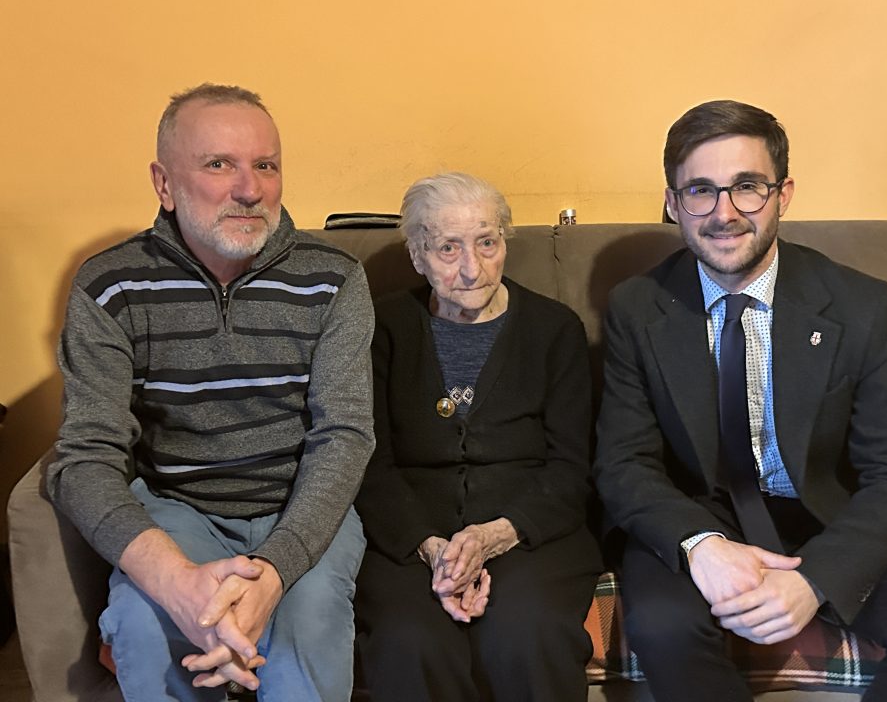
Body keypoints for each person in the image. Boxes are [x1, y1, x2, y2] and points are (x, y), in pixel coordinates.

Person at [593, 100, 887, 701]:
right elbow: (623, 462)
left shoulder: (861, 305)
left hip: (829, 510)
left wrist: (817, 580)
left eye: (747, 187)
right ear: (673, 202)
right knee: (662, 627)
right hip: (701, 509)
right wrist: (700, 545)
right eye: (700, 190)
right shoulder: (636, 306)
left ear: (783, 194)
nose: (724, 213)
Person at [46, 83, 374, 701]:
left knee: (308, 636)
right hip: (178, 510)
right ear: (164, 184)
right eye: (219, 164)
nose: (249, 188)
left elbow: (345, 437)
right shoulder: (110, 286)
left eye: (266, 165)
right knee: (144, 626)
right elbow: (84, 457)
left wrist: (272, 575)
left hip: (300, 507)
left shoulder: (334, 280)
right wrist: (177, 582)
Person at [354, 172, 601, 702]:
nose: (472, 268)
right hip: (411, 536)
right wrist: (433, 549)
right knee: (409, 641)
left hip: (530, 532)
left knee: (528, 634)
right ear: (417, 255)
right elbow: (370, 463)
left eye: (487, 242)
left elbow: (571, 467)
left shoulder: (555, 329)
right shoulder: (382, 329)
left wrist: (493, 537)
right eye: (448, 248)